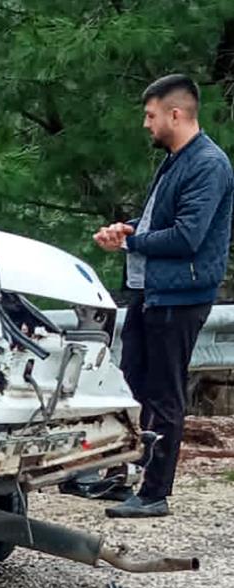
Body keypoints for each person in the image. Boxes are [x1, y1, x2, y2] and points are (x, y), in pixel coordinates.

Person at [91, 74, 233, 518]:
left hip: (180, 295)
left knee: (165, 394)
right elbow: (161, 220)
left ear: (176, 113)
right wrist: (130, 228)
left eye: (150, 115)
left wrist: (131, 242)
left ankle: (155, 492)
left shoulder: (208, 164)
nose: (146, 124)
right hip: (150, 291)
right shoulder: (176, 159)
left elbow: (189, 236)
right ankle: (122, 475)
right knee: (131, 383)